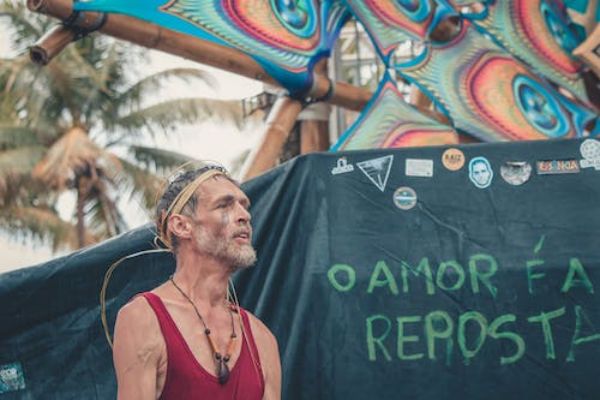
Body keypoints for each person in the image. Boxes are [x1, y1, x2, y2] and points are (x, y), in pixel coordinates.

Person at [112, 164, 281, 399]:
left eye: (244, 206)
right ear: (182, 226)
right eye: (224, 205)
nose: (245, 216)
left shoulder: (262, 339)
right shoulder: (143, 318)